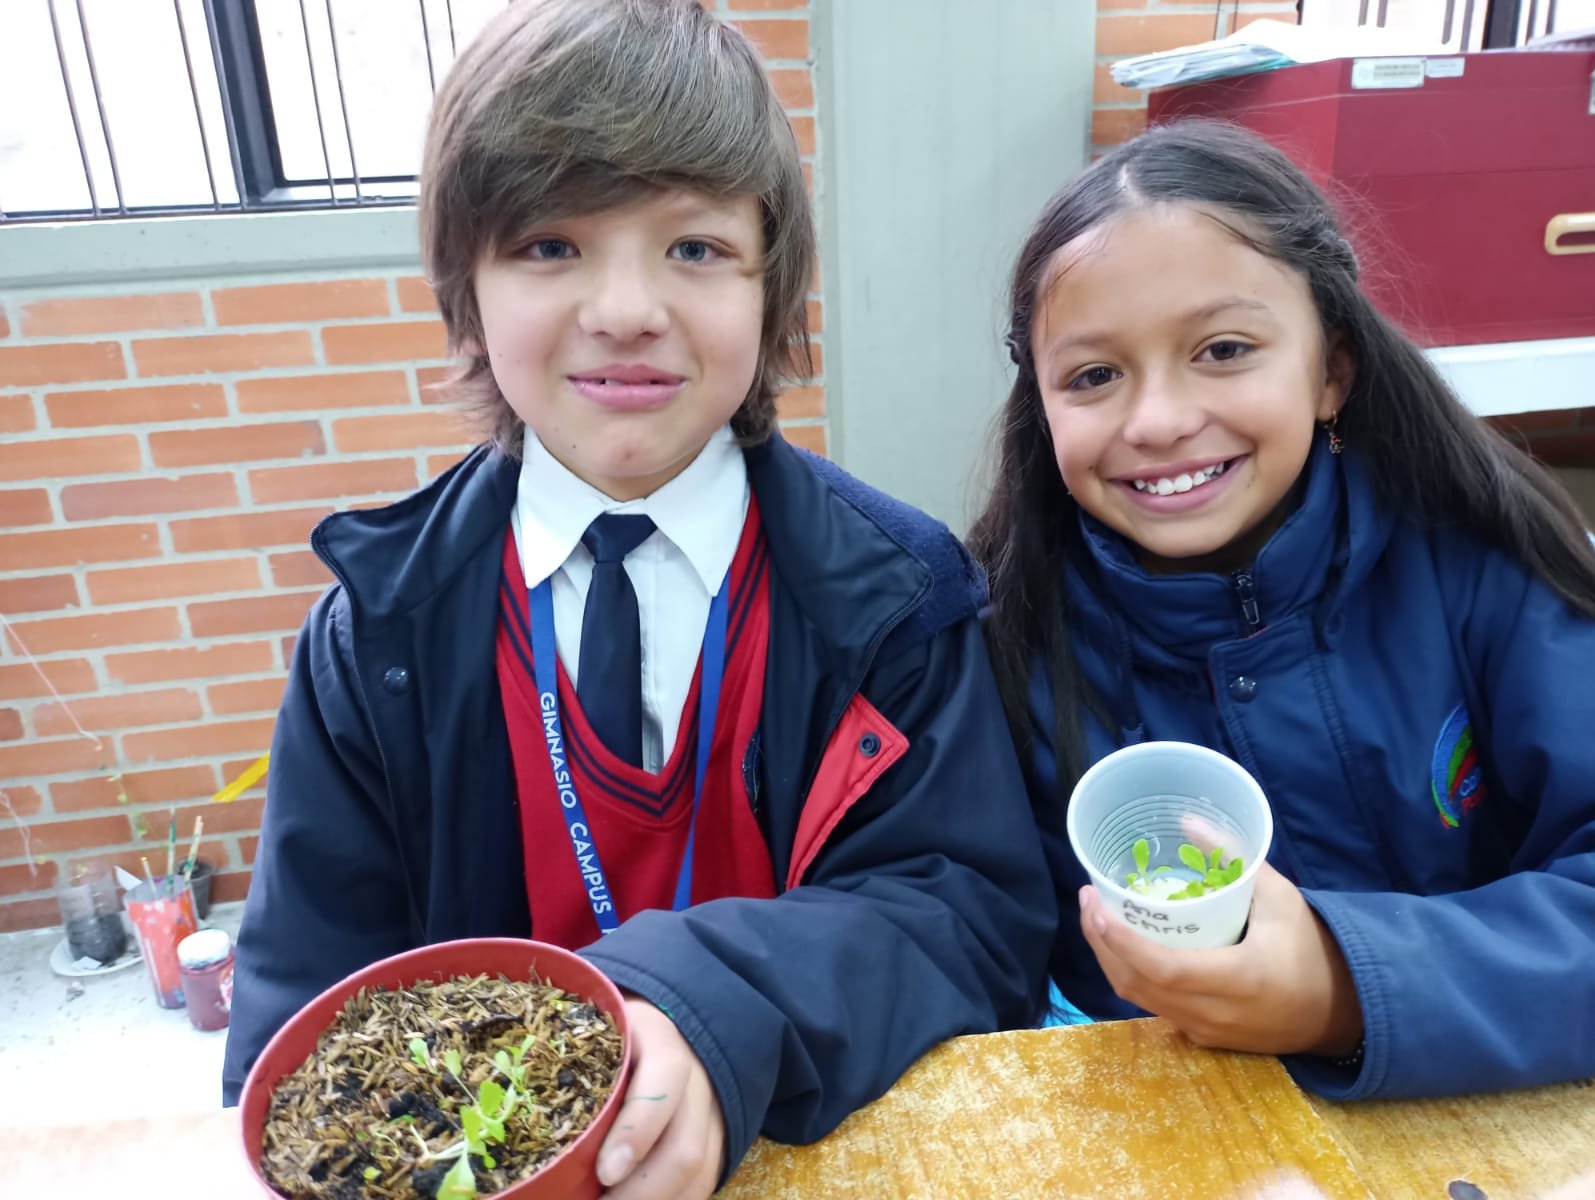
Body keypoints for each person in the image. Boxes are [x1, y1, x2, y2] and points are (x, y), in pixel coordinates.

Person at [221, 1, 1053, 1195]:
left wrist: (715, 1006)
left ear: (776, 291)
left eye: (695, 248)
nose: (623, 310)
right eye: (550, 245)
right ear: (466, 286)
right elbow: (302, 1016)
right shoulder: (377, 636)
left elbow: (969, 924)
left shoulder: (896, 600)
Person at [968, 118, 1595, 1100]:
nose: (1160, 420)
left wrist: (1346, 984)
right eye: (1093, 375)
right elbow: (969, 954)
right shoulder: (999, 645)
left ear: (1331, 370)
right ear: (1039, 403)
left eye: (1222, 349)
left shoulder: (1484, 568)